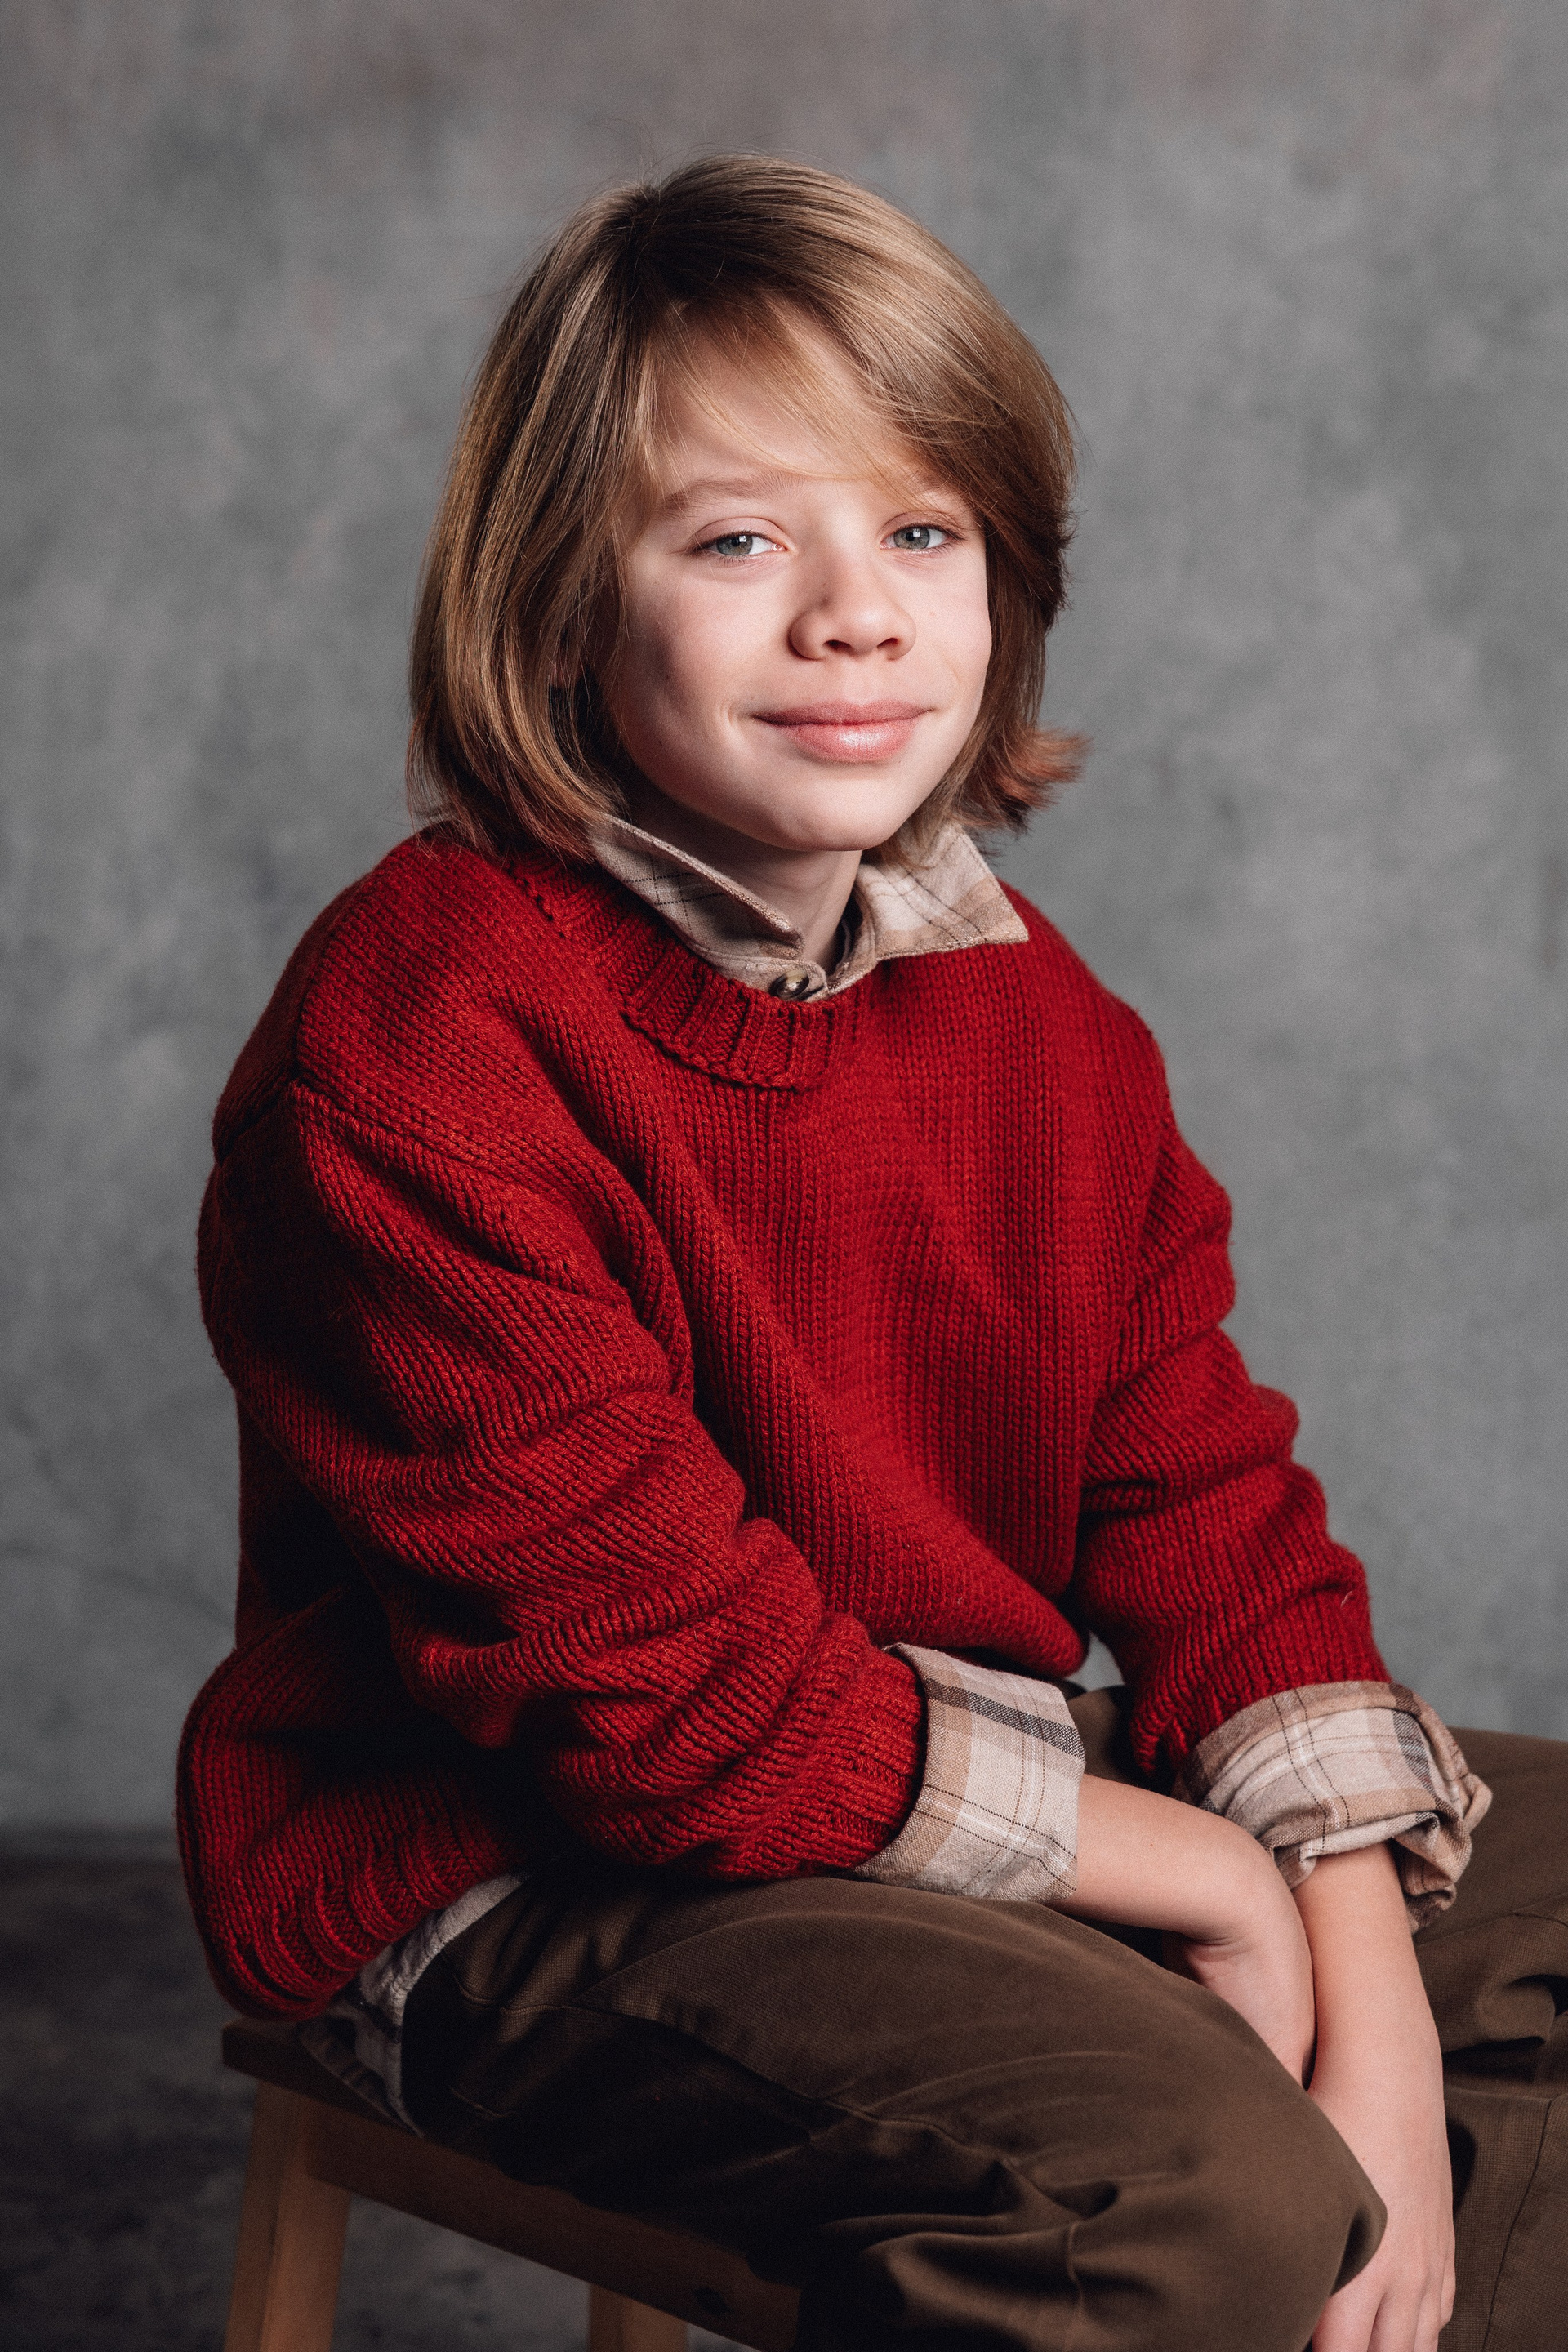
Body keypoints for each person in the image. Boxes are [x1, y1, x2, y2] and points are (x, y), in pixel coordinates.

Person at [178, 157, 1566, 2352]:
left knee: (1453, 1999)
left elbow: (1205, 1510)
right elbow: (661, 1703)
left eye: (923, 532)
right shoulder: (418, 1038)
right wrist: (1209, 1876)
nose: (857, 616)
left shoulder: (1039, 1018)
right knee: (1164, 2182)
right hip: (523, 1863)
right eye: (737, 540)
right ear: (561, 603)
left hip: (941, 1780)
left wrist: (1359, 1976)